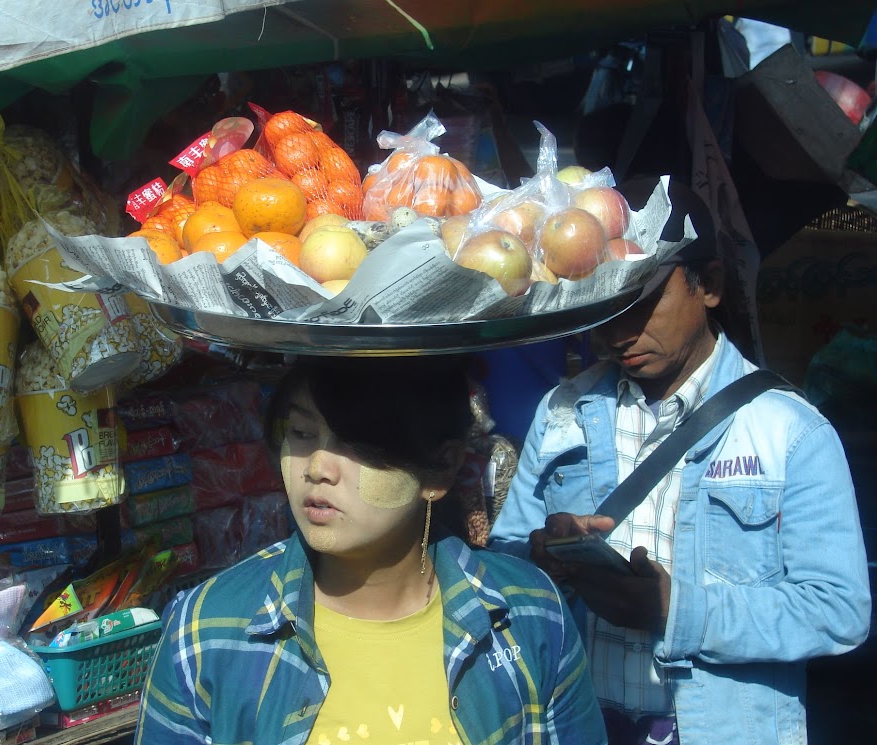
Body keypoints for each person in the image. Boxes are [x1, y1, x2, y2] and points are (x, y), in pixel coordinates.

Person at [488, 179, 872, 745]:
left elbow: (839, 610)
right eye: (601, 305)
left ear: (709, 285)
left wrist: (677, 609)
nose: (617, 332)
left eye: (641, 302)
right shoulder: (562, 412)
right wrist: (542, 561)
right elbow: (506, 565)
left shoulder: (789, 432)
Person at [136, 356, 607, 745]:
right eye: (301, 434)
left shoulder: (530, 615)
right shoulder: (208, 627)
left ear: (440, 469)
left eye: (358, 443)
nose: (317, 467)